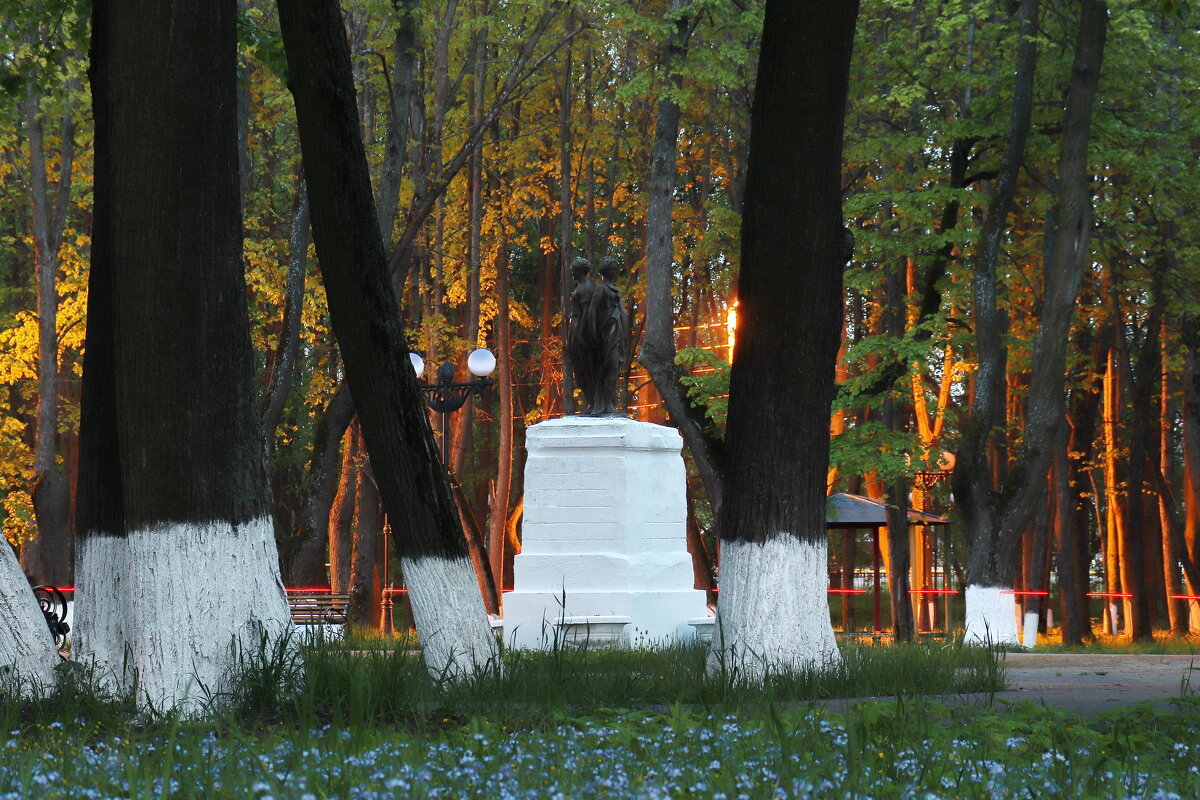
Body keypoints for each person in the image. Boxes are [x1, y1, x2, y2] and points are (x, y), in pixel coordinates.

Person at [588, 257, 626, 416]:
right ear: (606, 270)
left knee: (615, 365)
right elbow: (592, 310)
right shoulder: (601, 289)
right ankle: (603, 404)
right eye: (614, 269)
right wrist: (593, 332)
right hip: (606, 331)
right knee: (609, 364)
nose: (616, 272)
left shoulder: (615, 288)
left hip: (617, 331)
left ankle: (609, 403)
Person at [567, 257, 598, 413]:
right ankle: (590, 402)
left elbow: (587, 312)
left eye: (573, 271)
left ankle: (593, 402)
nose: (571, 273)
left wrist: (581, 333)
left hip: (581, 330)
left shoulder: (586, 289)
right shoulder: (581, 288)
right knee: (580, 367)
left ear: (580, 271)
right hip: (576, 327)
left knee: (586, 368)